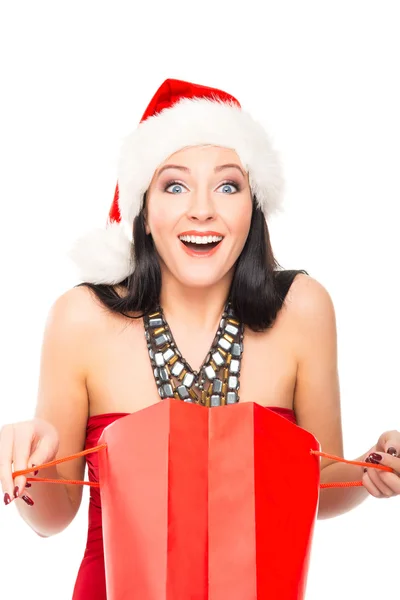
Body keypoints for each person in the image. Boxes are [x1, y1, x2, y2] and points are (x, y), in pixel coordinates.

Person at [1, 79, 399, 599]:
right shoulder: (81, 318)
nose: (203, 210)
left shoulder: (303, 309)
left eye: (228, 186)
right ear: (142, 207)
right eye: (174, 185)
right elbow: (54, 520)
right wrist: (31, 466)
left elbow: (316, 485)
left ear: (253, 205)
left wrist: (372, 467)